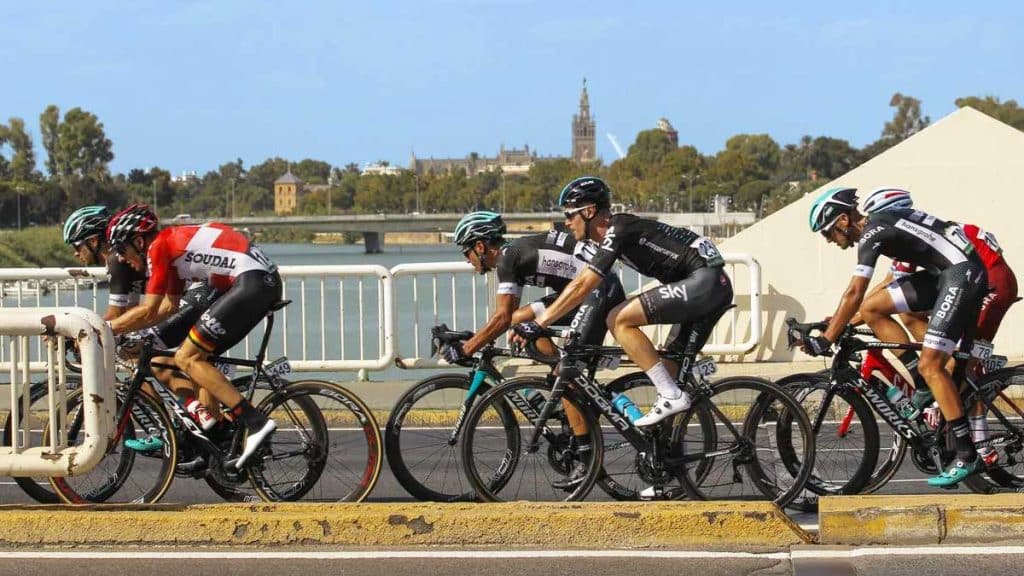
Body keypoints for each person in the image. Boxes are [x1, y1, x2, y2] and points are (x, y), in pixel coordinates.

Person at [513, 176, 734, 427]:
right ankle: (668, 457)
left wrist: (540, 323)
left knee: (618, 319)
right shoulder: (613, 235)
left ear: (588, 211)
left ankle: (671, 396)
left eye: (569, 214)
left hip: (704, 282)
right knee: (669, 370)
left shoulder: (617, 229)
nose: (566, 222)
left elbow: (583, 284)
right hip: (710, 284)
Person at [805, 187, 988, 486]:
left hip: (961, 275)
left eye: (827, 232)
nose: (827, 240)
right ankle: (922, 385)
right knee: (873, 308)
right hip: (946, 273)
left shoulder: (874, 231)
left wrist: (827, 338)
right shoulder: (880, 224)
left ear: (842, 220)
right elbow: (864, 299)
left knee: (933, 365)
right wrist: (835, 324)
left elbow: (854, 290)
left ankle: (967, 455)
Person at [442, 210, 625, 489]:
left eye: (466, 251)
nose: (466, 259)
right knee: (522, 323)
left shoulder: (508, 259)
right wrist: (477, 337)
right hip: (583, 291)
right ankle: (560, 392)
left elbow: (501, 317)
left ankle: (586, 459)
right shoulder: (515, 254)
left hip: (598, 292)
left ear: (480, 246)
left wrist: (468, 348)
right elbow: (508, 318)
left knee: (566, 371)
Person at [105, 204, 279, 468]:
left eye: (121, 250)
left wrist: (106, 329)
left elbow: (149, 307)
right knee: (196, 359)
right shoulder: (172, 255)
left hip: (250, 283)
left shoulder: (158, 247)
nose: (121, 258)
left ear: (138, 241)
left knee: (187, 357)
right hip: (256, 282)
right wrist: (133, 335)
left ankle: (256, 423)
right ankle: (214, 438)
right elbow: (167, 308)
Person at [62, 206, 223, 436]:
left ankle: (175, 421)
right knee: (141, 351)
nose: (76, 254)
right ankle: (180, 419)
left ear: (94, 241)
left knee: (136, 350)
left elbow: (118, 314)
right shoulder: (122, 257)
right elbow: (130, 312)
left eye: (77, 246)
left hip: (196, 295)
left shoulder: (117, 262)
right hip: (193, 296)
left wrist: (82, 329)